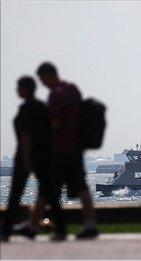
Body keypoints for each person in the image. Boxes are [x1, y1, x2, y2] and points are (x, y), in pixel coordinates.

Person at [30, 62, 99, 239]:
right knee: (82, 188)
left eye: (42, 79)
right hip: (75, 148)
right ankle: (90, 225)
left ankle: (38, 226)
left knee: (49, 189)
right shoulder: (72, 90)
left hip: (60, 149)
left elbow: (54, 123)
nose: (42, 84)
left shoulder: (57, 95)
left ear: (47, 76)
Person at [0, 76, 67, 241]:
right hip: (43, 156)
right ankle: (61, 228)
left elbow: (25, 136)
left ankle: (6, 230)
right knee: (49, 193)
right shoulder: (41, 107)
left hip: (27, 156)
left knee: (15, 194)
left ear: (26, 90)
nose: (17, 91)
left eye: (19, 88)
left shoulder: (26, 109)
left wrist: (26, 159)